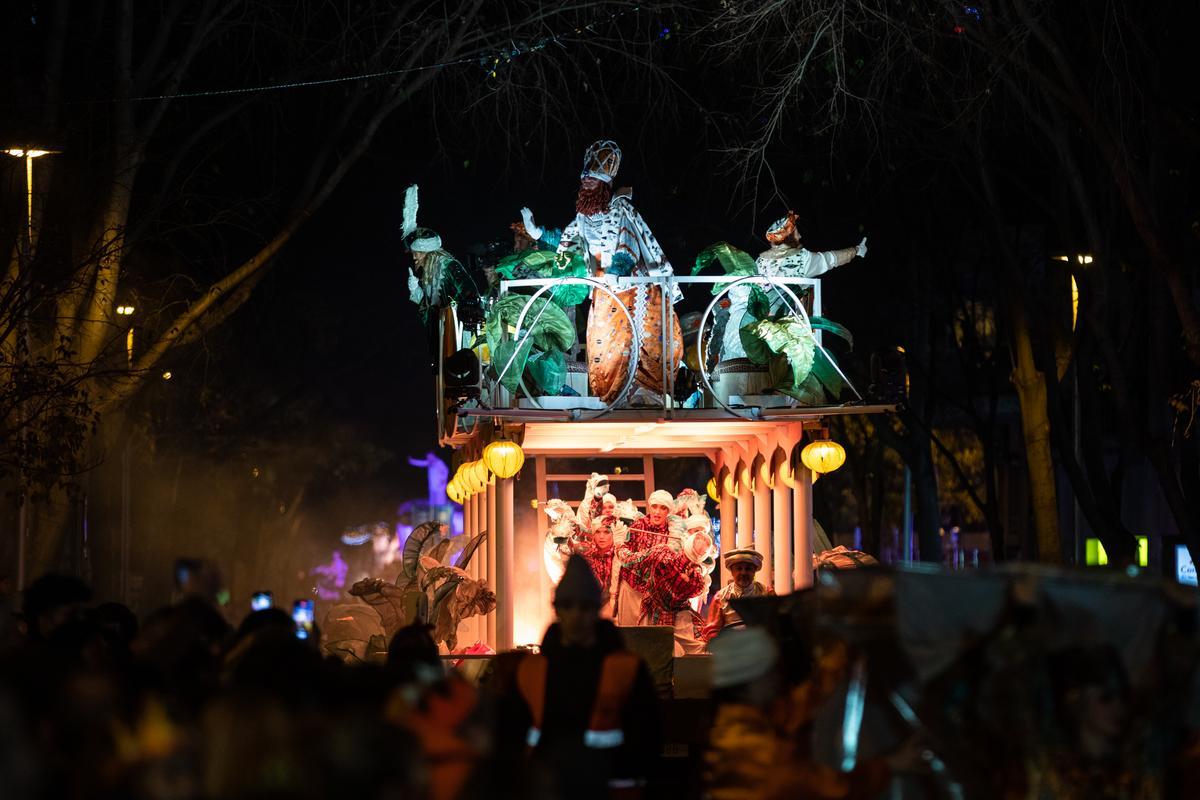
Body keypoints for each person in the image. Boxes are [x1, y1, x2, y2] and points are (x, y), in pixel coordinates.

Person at [524, 140, 683, 404]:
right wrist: (537, 232)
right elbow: (569, 242)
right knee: (604, 346)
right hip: (604, 291)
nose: (586, 183)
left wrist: (617, 269)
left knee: (633, 343)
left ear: (604, 185)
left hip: (632, 290)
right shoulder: (583, 218)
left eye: (592, 180)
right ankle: (614, 397)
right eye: (584, 179)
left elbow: (628, 243)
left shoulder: (621, 209)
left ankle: (643, 396)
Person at [510, 554, 661, 799]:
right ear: (557, 609)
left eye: (585, 606)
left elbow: (645, 737)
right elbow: (515, 734)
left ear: (596, 610)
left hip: (604, 783)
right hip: (549, 783)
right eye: (569, 605)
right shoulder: (531, 669)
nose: (576, 614)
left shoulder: (626, 668)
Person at [719, 211, 867, 363]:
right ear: (788, 238)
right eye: (796, 233)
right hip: (784, 326)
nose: (800, 236)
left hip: (753, 324)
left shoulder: (760, 260)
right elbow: (832, 259)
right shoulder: (802, 259)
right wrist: (856, 250)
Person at [615, 489, 679, 626]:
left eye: (663, 508)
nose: (657, 512)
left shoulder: (672, 533)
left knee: (648, 636)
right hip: (631, 587)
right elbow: (623, 553)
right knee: (629, 631)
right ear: (649, 507)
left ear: (668, 511)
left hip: (653, 593)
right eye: (654, 506)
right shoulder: (638, 525)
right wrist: (621, 546)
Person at [702, 549, 774, 642]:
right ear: (732, 571)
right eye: (739, 569)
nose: (743, 573)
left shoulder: (767, 593)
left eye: (748, 569)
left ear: (754, 571)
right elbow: (712, 630)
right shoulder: (720, 597)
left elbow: (775, 624)